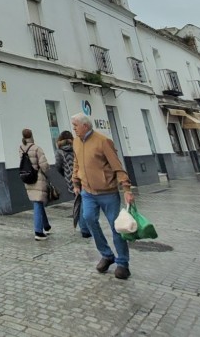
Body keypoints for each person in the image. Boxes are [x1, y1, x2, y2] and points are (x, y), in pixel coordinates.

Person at [71, 113, 135, 280]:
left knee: (117, 227)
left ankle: (122, 263)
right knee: (89, 219)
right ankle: (107, 255)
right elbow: (77, 163)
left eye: (75, 125)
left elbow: (117, 165)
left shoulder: (103, 141)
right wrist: (76, 183)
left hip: (108, 192)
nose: (74, 129)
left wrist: (127, 189)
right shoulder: (76, 142)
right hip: (87, 192)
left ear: (85, 125)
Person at [55, 130, 91, 237]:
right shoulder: (77, 147)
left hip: (71, 180)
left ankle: (84, 228)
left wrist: (66, 173)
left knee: (78, 203)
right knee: (85, 201)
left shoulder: (59, 152)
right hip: (83, 177)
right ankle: (86, 227)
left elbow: (58, 166)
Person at [19, 128, 52, 240]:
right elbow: (44, 165)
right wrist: (47, 170)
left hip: (27, 177)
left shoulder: (21, 148)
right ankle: (38, 232)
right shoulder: (36, 148)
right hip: (38, 178)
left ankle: (46, 226)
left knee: (38, 201)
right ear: (32, 136)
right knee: (38, 202)